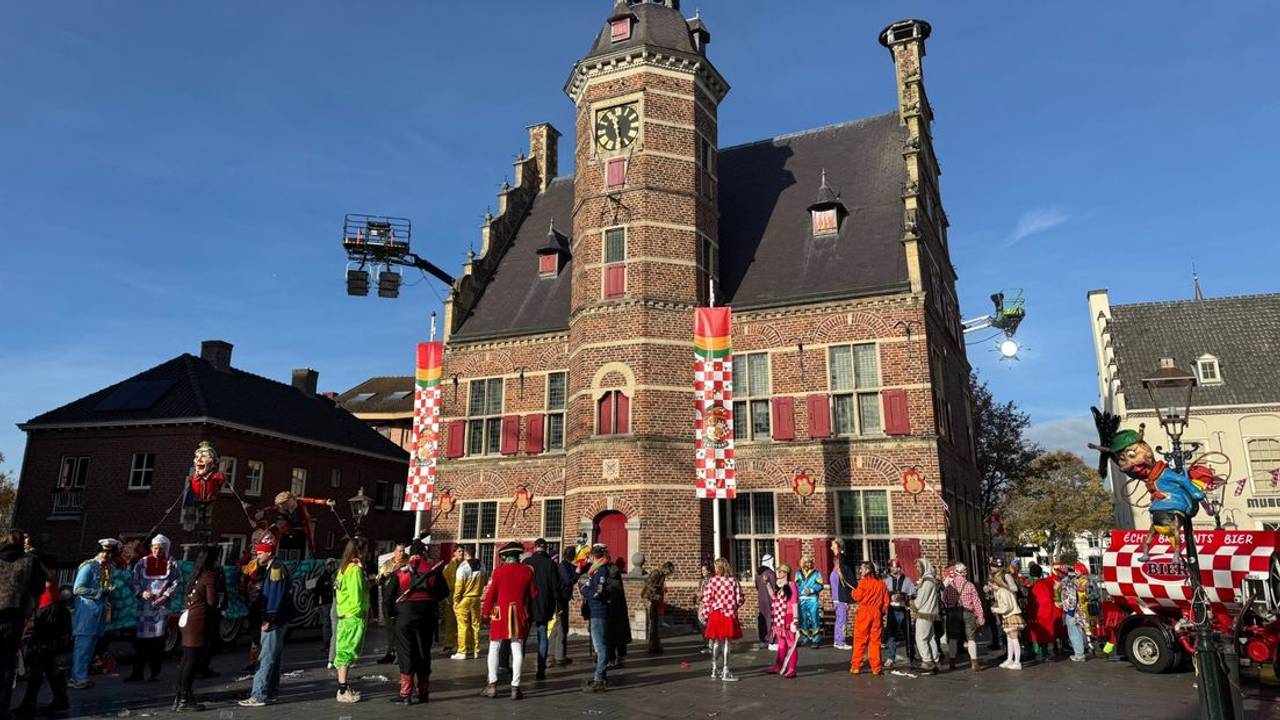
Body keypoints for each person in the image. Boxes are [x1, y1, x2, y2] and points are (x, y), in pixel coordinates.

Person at [389, 539, 446, 704]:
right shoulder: (433, 570)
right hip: (427, 616)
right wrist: (431, 599)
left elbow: (388, 597)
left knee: (406, 653)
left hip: (405, 617)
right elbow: (444, 592)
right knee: (423, 653)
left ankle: (405, 694)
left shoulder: (401, 571)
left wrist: (393, 613)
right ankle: (423, 692)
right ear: (424, 553)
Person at [238, 534, 292, 707]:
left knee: (265, 657)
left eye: (260, 553)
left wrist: (268, 618)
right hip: (280, 619)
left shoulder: (275, 569)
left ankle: (258, 694)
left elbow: (274, 597)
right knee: (274, 657)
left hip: (274, 620)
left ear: (269, 553)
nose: (258, 556)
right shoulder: (274, 567)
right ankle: (271, 691)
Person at [0, 529, 48, 716]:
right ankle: (2, 709)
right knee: (6, 665)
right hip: (14, 615)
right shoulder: (30, 561)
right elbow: (38, 587)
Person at [482, 542, 537, 700]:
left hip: (499, 612)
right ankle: (515, 686)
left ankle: (492, 684)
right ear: (518, 555)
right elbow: (534, 594)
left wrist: (485, 613)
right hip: (518, 612)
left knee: (494, 646)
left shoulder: (499, 571)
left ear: (505, 556)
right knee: (517, 648)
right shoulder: (526, 571)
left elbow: (491, 594)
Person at [126, 534, 181, 683]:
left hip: (161, 607)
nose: (158, 551)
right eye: (155, 548)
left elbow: (176, 581)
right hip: (143, 607)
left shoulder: (171, 562)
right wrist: (141, 592)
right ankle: (137, 673)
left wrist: (166, 596)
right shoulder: (142, 562)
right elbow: (134, 580)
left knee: (157, 641)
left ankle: (154, 672)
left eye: (161, 549)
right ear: (151, 548)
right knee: (141, 642)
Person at [15, 572, 70, 718]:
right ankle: (58, 699)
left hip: (48, 612)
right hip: (48, 611)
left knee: (40, 664)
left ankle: (30, 704)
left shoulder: (38, 565)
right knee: (48, 665)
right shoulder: (41, 563)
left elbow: (45, 584)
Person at [175, 545, 222, 712]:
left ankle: (179, 695)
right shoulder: (209, 576)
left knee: (186, 658)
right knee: (192, 660)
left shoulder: (195, 574)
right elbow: (211, 601)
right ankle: (185, 698)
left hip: (187, 618)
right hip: (198, 619)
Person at [70, 538, 120, 689]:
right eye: (103, 551)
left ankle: (82, 674)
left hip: (100, 611)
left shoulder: (110, 568)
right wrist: (99, 592)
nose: (106, 555)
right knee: (83, 646)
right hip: (87, 611)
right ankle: (77, 677)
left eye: (109, 552)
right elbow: (77, 589)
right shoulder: (89, 566)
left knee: (92, 647)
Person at [334, 538, 369, 703]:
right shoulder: (354, 570)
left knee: (343, 653)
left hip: (343, 614)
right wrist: (361, 612)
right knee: (347, 653)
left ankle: (342, 687)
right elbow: (357, 595)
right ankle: (342, 689)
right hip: (352, 616)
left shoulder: (343, 569)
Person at [699, 557, 744, 682]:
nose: (714, 569)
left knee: (716, 642)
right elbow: (740, 598)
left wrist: (705, 613)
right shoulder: (733, 581)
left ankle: (714, 670)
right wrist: (732, 607)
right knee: (726, 643)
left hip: (715, 614)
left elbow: (706, 599)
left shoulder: (712, 581)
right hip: (728, 615)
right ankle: (725, 670)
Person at [522, 539, 559, 680]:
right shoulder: (551, 564)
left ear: (535, 548)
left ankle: (518, 666)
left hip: (528, 604)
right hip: (544, 604)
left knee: (523, 636)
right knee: (542, 635)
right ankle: (541, 669)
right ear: (546, 548)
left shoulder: (527, 563)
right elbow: (555, 587)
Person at [942, 563, 985, 671]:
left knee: (953, 638)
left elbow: (945, 600)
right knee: (971, 638)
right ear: (964, 572)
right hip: (968, 612)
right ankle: (974, 663)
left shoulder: (949, 586)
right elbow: (976, 602)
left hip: (953, 612)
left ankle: (952, 662)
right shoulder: (970, 585)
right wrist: (980, 617)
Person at [850, 562, 889, 675]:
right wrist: (880, 613)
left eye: (861, 569)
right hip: (876, 613)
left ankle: (856, 666)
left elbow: (857, 596)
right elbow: (886, 602)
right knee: (875, 641)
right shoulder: (881, 584)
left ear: (867, 570)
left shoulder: (863, 583)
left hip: (865, 612)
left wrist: (853, 592)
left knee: (860, 639)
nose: (860, 571)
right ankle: (876, 667)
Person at [581, 545, 612, 693]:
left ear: (594, 557)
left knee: (600, 648)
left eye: (589, 557)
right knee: (600, 646)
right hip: (596, 611)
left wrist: (584, 590)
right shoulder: (596, 570)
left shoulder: (601, 571)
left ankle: (599, 679)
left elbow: (597, 593)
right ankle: (600, 678)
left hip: (598, 612)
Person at [765, 563, 799, 678]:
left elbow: (794, 602)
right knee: (781, 644)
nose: (778, 574)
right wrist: (768, 585)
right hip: (779, 618)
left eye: (780, 572)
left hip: (788, 617)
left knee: (791, 644)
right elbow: (773, 598)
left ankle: (792, 668)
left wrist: (795, 618)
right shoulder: (779, 587)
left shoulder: (791, 585)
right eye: (778, 572)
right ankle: (778, 666)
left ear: (785, 573)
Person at [988, 568, 1025, 670]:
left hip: (1011, 615)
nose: (991, 587)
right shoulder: (1002, 591)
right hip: (1009, 616)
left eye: (992, 585)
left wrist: (996, 610)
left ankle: (1017, 661)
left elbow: (1006, 607)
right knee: (1010, 639)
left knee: (1014, 639)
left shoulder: (1003, 591)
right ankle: (1010, 659)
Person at [452, 547, 485, 661]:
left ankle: (462, 650)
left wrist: (456, 601)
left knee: (463, 625)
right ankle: (476, 650)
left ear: (466, 554)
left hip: (465, 599)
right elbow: (484, 581)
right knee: (476, 625)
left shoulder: (463, 567)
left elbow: (458, 587)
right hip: (476, 598)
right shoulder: (482, 565)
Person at [883, 559, 916, 668]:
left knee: (907, 634)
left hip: (903, 609)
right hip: (892, 610)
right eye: (891, 567)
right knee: (891, 635)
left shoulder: (907, 580)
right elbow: (883, 594)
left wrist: (902, 596)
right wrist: (890, 595)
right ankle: (890, 657)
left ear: (899, 568)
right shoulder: (887, 581)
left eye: (894, 567)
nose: (892, 569)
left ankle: (910, 655)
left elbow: (914, 594)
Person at [911, 558, 942, 674]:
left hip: (925, 613)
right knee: (930, 638)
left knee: (920, 638)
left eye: (919, 567)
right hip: (930, 613)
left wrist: (911, 601)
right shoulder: (929, 581)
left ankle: (927, 662)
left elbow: (921, 600)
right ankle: (935, 660)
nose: (917, 569)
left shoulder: (927, 582)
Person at [377, 543, 406, 664]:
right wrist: (383, 576)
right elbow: (378, 581)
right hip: (387, 599)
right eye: (399, 551)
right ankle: (390, 652)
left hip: (400, 599)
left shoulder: (407, 563)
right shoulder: (387, 564)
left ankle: (399, 654)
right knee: (389, 628)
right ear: (395, 552)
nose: (402, 553)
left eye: (403, 551)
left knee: (399, 628)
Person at [1026, 563, 1059, 661]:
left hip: (1032, 612)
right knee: (1043, 633)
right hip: (1044, 612)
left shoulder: (1028, 584)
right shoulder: (1045, 584)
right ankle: (1044, 653)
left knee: (1034, 632)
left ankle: (1035, 650)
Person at [604, 556, 631, 668]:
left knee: (610, 636)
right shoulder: (615, 572)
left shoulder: (607, 573)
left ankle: (611, 659)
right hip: (619, 609)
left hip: (610, 608)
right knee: (619, 635)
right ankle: (621, 657)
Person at [641, 561, 674, 655]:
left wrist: (661, 589)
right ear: (666, 568)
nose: (669, 574)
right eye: (670, 571)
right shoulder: (656, 573)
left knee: (655, 623)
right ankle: (652, 646)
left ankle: (655, 645)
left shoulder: (662, 575)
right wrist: (658, 590)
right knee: (652, 623)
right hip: (649, 598)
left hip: (655, 599)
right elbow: (648, 584)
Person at [551, 547, 576, 667]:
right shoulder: (562, 566)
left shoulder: (567, 565)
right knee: (561, 627)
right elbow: (568, 581)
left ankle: (554, 653)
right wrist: (578, 573)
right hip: (560, 600)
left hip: (563, 598)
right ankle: (559, 656)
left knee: (559, 626)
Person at [829, 540, 856, 651]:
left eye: (833, 545)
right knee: (842, 620)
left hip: (837, 597)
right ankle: (840, 641)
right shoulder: (837, 571)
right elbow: (848, 580)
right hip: (840, 597)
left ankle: (837, 640)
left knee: (839, 620)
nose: (831, 547)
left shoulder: (835, 571)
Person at [1058, 565, 1089, 662]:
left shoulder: (1070, 582)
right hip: (1078, 609)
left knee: (1074, 632)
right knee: (1078, 631)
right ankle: (1081, 652)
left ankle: (1079, 654)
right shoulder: (1074, 581)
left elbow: (1071, 598)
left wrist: (1068, 610)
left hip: (1073, 610)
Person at [795, 558, 824, 648]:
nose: (809, 564)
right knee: (803, 619)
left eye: (810, 562)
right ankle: (805, 638)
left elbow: (820, 585)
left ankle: (816, 640)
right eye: (807, 562)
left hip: (812, 598)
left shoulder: (817, 573)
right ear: (803, 563)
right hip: (802, 599)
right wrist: (801, 590)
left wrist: (811, 590)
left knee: (814, 618)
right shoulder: (798, 573)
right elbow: (796, 585)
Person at [441, 545, 464, 657]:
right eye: (459, 551)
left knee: (462, 621)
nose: (461, 553)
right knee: (450, 621)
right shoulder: (448, 567)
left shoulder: (466, 565)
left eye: (462, 551)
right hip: (451, 595)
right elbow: (444, 581)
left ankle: (463, 643)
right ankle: (449, 643)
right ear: (454, 553)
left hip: (463, 595)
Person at [753, 555, 776, 649]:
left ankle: (762, 638)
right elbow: (774, 587)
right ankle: (770, 638)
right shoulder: (770, 573)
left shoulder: (757, 573)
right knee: (770, 618)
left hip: (761, 599)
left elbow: (757, 587)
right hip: (770, 599)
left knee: (762, 619)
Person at [316, 558, 336, 668]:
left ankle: (331, 644)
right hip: (325, 603)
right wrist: (316, 604)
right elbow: (317, 591)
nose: (331, 567)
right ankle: (326, 642)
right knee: (326, 624)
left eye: (332, 565)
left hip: (334, 602)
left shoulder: (336, 576)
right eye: (329, 565)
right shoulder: (322, 578)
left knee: (333, 625)